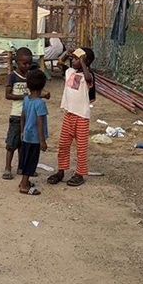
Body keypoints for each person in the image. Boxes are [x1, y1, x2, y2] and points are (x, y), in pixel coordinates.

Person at [48, 47, 95, 187]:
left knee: (81, 147)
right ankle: (61, 171)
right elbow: (59, 64)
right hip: (69, 114)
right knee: (63, 144)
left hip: (81, 116)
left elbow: (88, 78)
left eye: (76, 59)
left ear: (85, 61)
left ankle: (79, 174)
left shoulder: (88, 76)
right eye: (73, 58)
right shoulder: (69, 72)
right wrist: (65, 54)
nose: (73, 61)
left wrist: (83, 62)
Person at [2, 48, 50, 180]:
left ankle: (22, 167)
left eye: (29, 63)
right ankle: (7, 167)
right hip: (16, 114)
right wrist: (24, 97)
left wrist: (43, 95)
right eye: (24, 63)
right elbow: (8, 95)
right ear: (17, 62)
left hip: (29, 115)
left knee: (24, 144)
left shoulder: (30, 76)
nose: (27, 66)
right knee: (12, 143)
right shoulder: (12, 76)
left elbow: (35, 92)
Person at [18, 69, 49, 196]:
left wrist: (22, 131)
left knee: (26, 159)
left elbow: (22, 116)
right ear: (42, 86)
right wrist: (42, 140)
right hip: (35, 138)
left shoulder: (26, 99)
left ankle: (23, 181)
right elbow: (39, 122)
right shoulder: (40, 104)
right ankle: (24, 185)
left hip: (26, 135)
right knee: (32, 161)